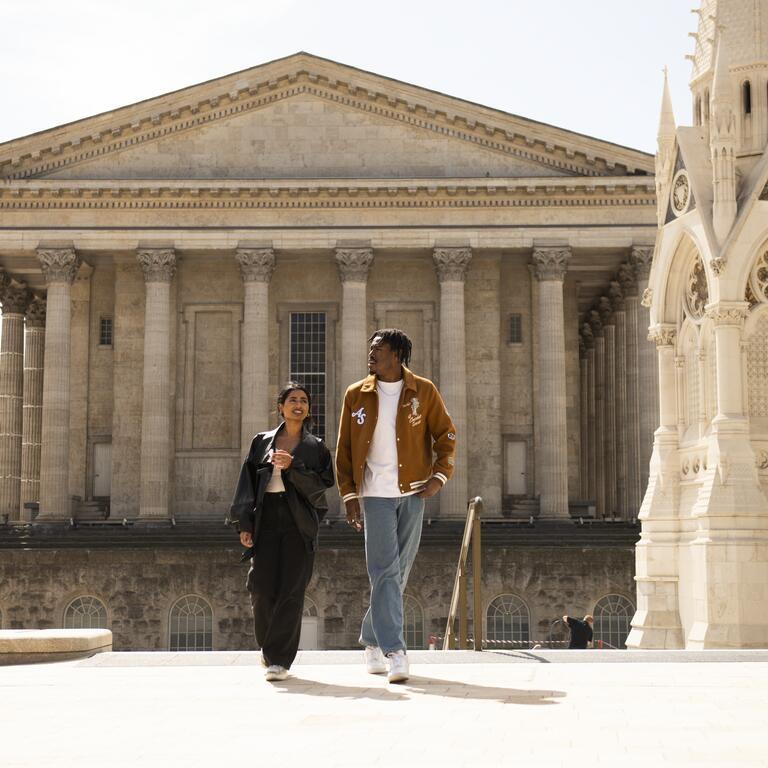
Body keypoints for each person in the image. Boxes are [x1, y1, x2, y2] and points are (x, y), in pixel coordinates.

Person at [336, 328, 456, 683]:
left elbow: (446, 435)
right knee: (384, 570)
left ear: (397, 355)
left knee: (399, 570)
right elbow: (343, 450)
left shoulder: (424, 390)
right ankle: (395, 651)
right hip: (374, 495)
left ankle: (371, 639)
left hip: (413, 492)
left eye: (379, 349)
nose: (371, 354)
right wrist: (349, 496)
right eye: (371, 348)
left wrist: (439, 476)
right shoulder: (356, 394)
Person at [229, 382, 334, 681]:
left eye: (303, 400)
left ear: (308, 409)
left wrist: (293, 467)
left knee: (291, 591)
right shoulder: (261, 441)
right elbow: (246, 482)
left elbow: (323, 485)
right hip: (266, 518)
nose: (298, 404)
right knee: (260, 588)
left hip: (298, 521)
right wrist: (243, 524)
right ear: (281, 407)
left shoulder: (315, 447)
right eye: (292, 400)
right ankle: (268, 648)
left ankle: (279, 660)